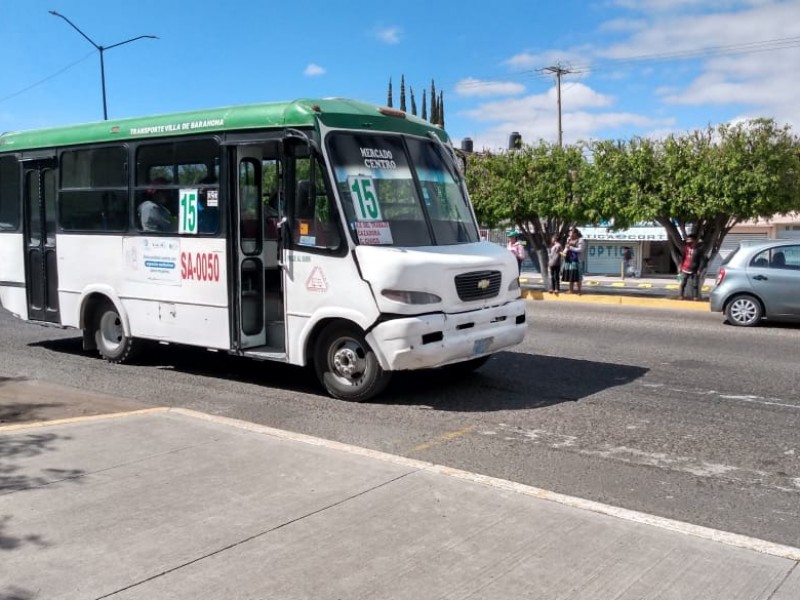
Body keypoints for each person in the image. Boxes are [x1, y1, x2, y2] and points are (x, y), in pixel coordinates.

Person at [678, 233, 705, 300]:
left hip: (694, 269)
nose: (688, 241)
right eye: (687, 239)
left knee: (695, 284)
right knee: (683, 283)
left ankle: (695, 297)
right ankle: (681, 295)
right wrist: (680, 266)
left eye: (690, 240)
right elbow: (683, 258)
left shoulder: (698, 250)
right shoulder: (685, 248)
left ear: (694, 241)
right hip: (685, 268)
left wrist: (699, 269)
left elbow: (702, 260)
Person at [561, 227, 586, 294]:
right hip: (569, 260)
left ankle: (579, 291)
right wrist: (564, 252)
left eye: (571, 231)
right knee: (571, 276)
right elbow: (566, 248)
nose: (569, 233)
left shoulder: (581, 240)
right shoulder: (568, 240)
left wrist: (571, 247)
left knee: (578, 276)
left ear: (575, 233)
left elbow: (580, 250)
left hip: (577, 261)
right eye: (569, 231)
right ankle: (570, 290)